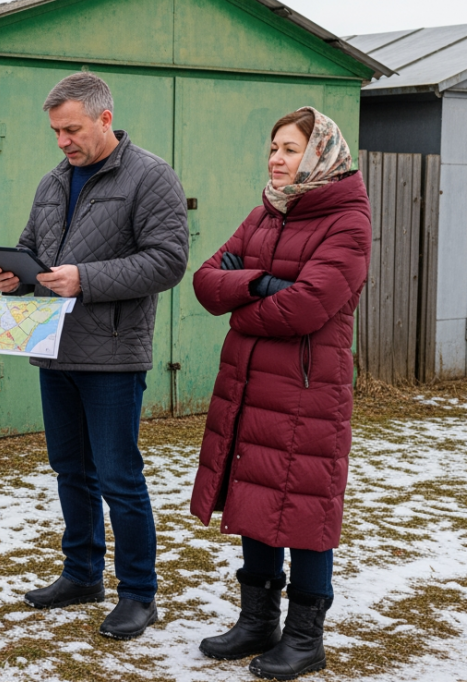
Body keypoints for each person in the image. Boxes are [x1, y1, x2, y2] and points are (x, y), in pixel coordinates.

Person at [0, 72, 189, 640]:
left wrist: (87, 279)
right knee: (69, 471)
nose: (62, 142)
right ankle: (81, 574)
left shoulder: (152, 178)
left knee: (119, 477)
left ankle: (138, 594)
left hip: (114, 355)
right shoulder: (54, 181)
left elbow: (169, 261)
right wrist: (15, 274)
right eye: (55, 131)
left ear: (105, 119)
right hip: (55, 351)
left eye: (71, 129)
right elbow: (34, 248)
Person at [189, 107, 370, 681]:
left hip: (305, 391)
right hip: (248, 385)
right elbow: (205, 281)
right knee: (254, 497)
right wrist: (261, 284)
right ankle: (257, 622)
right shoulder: (266, 212)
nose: (276, 158)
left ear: (320, 155)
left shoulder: (348, 220)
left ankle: (304, 637)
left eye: (289, 149)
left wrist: (244, 304)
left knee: (306, 511)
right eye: (273, 147)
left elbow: (307, 307)